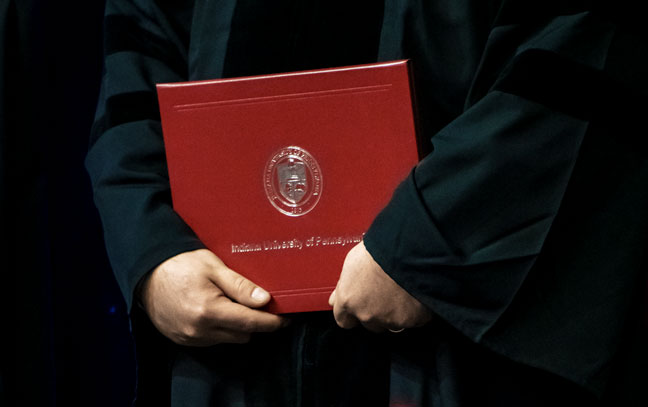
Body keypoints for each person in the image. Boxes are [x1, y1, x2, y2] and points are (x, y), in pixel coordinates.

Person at [86, 0, 648, 406]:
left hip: (448, 343)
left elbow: (579, 53)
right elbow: (139, 58)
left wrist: (426, 242)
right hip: (233, 349)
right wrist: (157, 252)